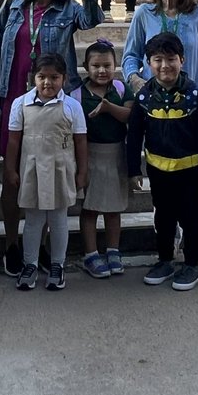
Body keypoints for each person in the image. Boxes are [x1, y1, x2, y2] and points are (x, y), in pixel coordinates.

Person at [0, 0, 103, 276]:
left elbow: (95, 18)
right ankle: (13, 243)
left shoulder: (68, 9)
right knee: (13, 175)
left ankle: (41, 246)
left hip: (52, 104)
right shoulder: (13, 6)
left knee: (48, 172)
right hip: (14, 100)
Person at [122, 0, 198, 273]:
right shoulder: (144, 14)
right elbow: (129, 57)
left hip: (192, 109)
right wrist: (138, 81)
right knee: (166, 191)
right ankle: (168, 253)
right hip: (159, 112)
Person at [126, 33, 198, 292]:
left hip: (190, 171)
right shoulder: (144, 96)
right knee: (163, 218)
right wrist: (133, 169)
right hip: (158, 170)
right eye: (158, 60)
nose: (164, 66)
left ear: (182, 60)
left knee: (191, 218)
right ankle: (165, 260)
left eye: (171, 59)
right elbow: (134, 135)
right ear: (148, 63)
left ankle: (190, 264)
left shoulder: (194, 93)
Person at [5, 53, 88, 291]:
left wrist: (82, 172)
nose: (47, 83)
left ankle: (57, 265)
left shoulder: (72, 106)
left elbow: (81, 142)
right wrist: (10, 169)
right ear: (33, 78)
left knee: (58, 219)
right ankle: (29, 264)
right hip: (31, 168)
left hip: (61, 169)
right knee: (33, 219)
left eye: (54, 77)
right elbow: (13, 141)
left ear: (64, 78)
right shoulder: (21, 104)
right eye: (42, 77)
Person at [74, 40, 135, 279]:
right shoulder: (77, 94)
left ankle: (113, 251)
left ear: (115, 65)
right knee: (89, 208)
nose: (102, 71)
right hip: (89, 154)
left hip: (116, 154)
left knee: (113, 209)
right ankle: (90, 254)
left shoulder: (121, 89)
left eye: (107, 65)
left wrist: (109, 108)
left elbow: (131, 116)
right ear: (86, 67)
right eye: (96, 65)